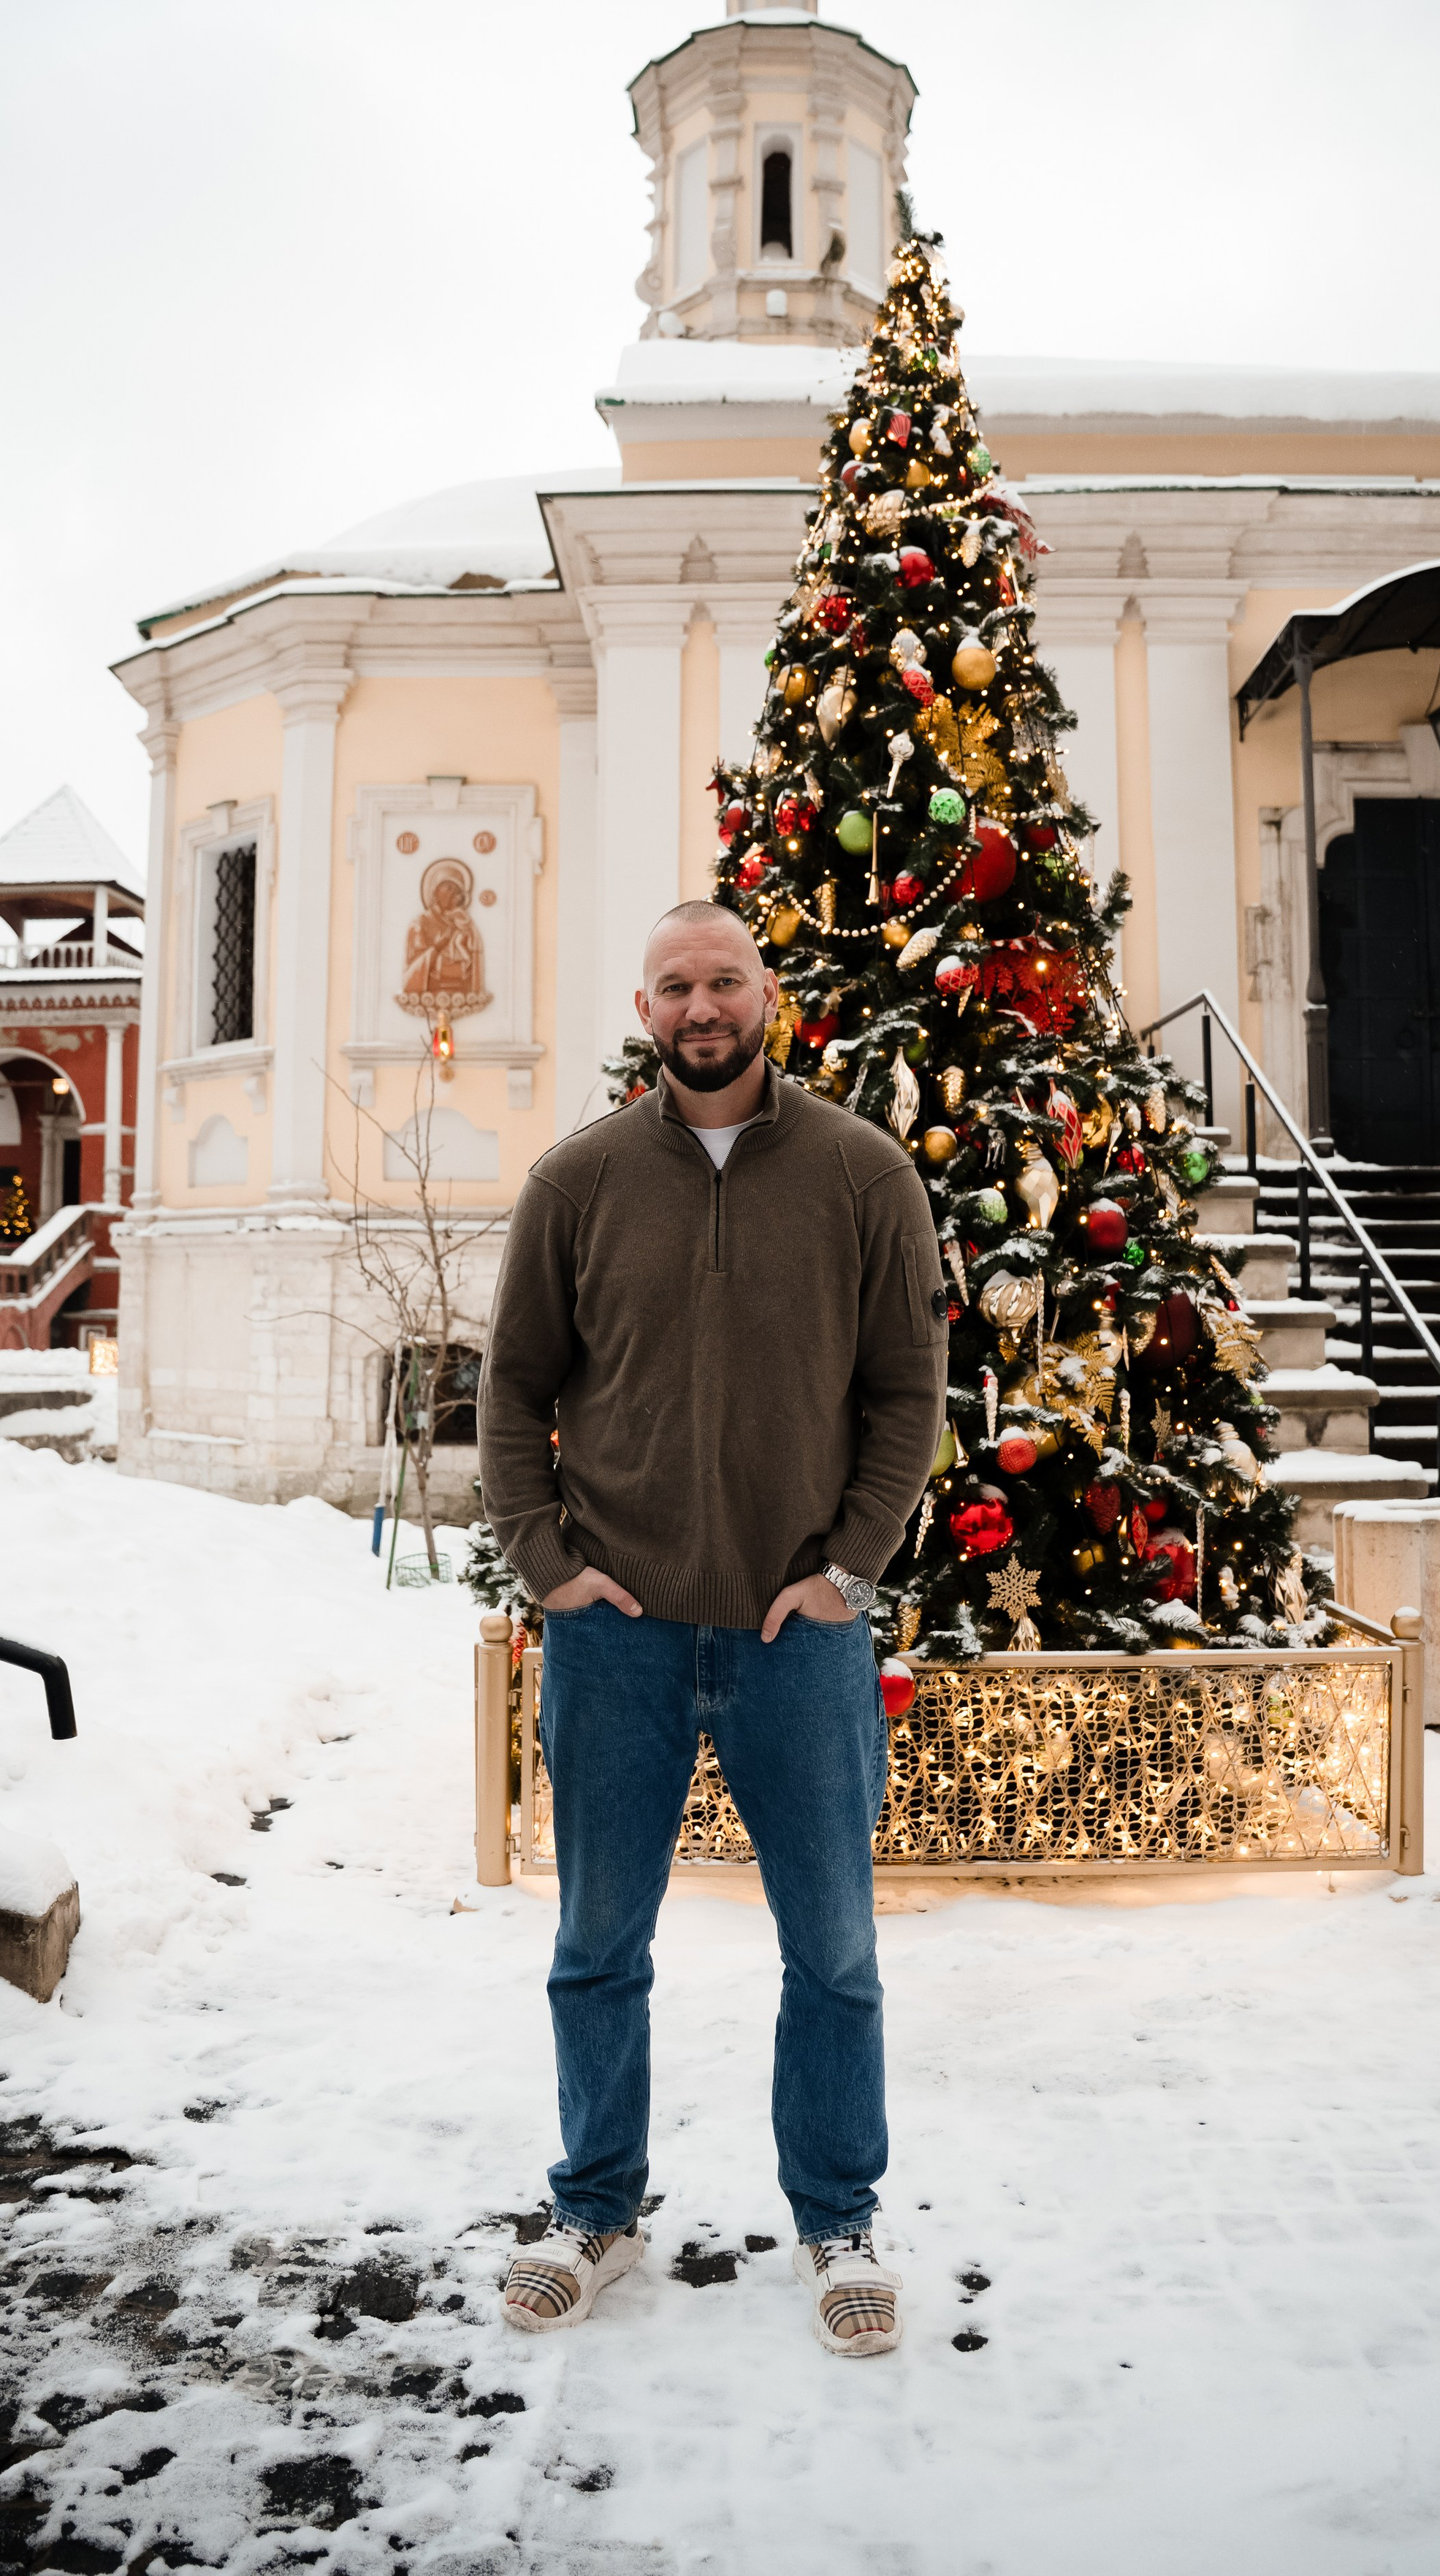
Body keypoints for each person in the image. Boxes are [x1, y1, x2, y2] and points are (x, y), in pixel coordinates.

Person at [477, 901, 948, 2357]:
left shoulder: (863, 1173)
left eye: (723, 979)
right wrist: (546, 1562)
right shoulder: (579, 1179)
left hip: (792, 1635)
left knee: (834, 1953)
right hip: (613, 1632)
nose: (700, 1004)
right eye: (674, 983)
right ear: (642, 1005)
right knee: (595, 1945)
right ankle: (595, 2209)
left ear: (765, 994)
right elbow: (509, 1396)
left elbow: (904, 1393)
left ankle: (835, 2220)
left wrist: (849, 1568)